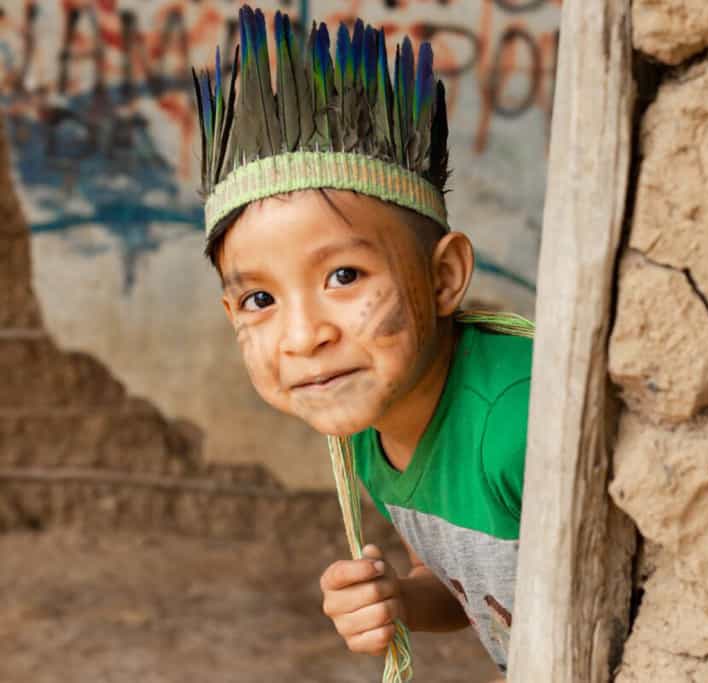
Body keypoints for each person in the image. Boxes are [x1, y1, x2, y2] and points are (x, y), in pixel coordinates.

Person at [191, 6, 532, 676]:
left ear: (443, 277)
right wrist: (403, 596)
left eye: (343, 276)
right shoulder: (369, 435)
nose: (304, 335)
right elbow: (484, 588)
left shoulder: (517, 425)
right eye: (261, 299)